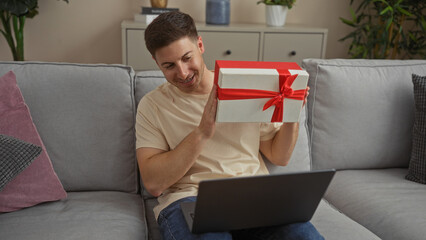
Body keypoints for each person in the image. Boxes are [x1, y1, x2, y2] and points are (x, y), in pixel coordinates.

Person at [135, 11, 322, 240]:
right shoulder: (152, 105)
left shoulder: (244, 85)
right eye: (169, 65)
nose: (182, 73)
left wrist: (293, 113)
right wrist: (202, 132)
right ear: (156, 63)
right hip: (190, 199)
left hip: (254, 196)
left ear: (200, 45)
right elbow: (154, 183)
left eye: (186, 58)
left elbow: (279, 156)